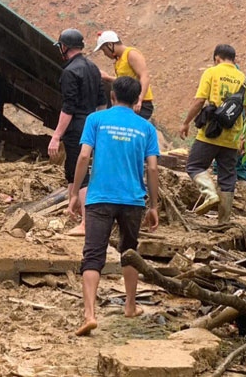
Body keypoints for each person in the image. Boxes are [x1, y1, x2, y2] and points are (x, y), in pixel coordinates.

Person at [71, 76, 160, 337]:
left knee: (93, 255)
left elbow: (84, 156)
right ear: (136, 102)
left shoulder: (95, 120)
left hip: (100, 198)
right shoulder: (146, 128)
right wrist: (153, 205)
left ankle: (89, 315)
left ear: (112, 96)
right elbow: (153, 167)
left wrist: (75, 193)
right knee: (129, 251)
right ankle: (130, 306)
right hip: (133, 200)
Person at [179, 44, 246, 223]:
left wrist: (186, 122)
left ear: (217, 58)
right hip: (232, 138)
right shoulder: (245, 80)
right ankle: (223, 222)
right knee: (227, 178)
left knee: (194, 166)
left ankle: (209, 193)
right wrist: (245, 138)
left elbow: (199, 101)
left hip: (210, 134)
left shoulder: (211, 73)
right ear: (234, 59)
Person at [47, 28, 107, 236]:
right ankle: (73, 208)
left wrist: (56, 136)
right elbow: (102, 102)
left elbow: (68, 108)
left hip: (76, 127)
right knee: (73, 169)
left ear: (64, 47)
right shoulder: (93, 68)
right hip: (92, 125)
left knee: (81, 174)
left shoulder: (70, 72)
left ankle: (86, 223)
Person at [94, 30, 154, 120]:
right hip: (128, 102)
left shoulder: (131, 54)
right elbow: (126, 81)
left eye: (104, 50)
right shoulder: (119, 60)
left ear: (110, 44)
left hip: (139, 103)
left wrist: (140, 99)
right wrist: (107, 77)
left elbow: (144, 76)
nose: (105, 54)